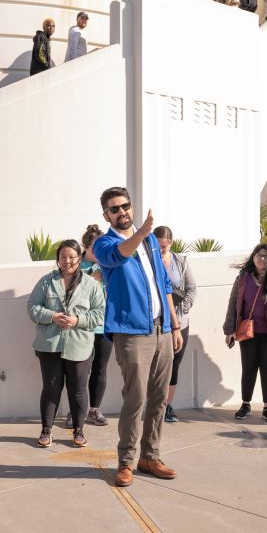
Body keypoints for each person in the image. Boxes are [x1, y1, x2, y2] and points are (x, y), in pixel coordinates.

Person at [93, 187, 183, 487]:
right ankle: (126, 461)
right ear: (106, 215)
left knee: (159, 399)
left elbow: (164, 284)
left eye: (125, 206)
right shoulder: (104, 244)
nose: (122, 212)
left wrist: (174, 326)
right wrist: (142, 231)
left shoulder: (150, 243)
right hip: (131, 332)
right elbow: (120, 254)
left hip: (161, 329)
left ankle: (150, 456)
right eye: (115, 209)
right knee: (136, 397)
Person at [27, 240, 105, 448]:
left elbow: (99, 313)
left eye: (71, 256)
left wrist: (78, 320)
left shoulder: (91, 285)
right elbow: (32, 307)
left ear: (79, 258)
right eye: (63, 257)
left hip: (79, 346)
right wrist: (52, 316)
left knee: (78, 389)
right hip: (49, 345)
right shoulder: (46, 282)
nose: (67, 261)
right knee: (51, 388)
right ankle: (46, 430)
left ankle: (78, 431)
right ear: (58, 259)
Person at [223, 244, 267, 423]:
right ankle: (245, 404)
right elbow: (233, 303)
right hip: (248, 332)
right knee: (248, 368)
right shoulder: (243, 278)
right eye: (259, 255)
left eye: (266, 256)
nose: (262, 259)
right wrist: (230, 329)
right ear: (253, 257)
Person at [153, 226, 197, 423]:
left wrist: (182, 309)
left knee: (174, 364)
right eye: (158, 246)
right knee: (157, 365)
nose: (161, 250)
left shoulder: (181, 261)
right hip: (158, 321)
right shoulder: (149, 262)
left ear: (170, 243)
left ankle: (167, 406)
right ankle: (155, 404)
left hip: (180, 321)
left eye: (164, 246)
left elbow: (191, 289)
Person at [80, 224, 111, 427]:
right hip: (80, 327)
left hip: (103, 325)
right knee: (79, 370)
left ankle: (94, 409)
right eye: (94, 248)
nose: (98, 252)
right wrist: (91, 279)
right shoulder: (73, 264)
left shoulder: (107, 265)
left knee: (100, 368)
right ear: (85, 246)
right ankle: (78, 411)